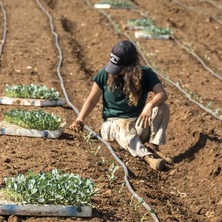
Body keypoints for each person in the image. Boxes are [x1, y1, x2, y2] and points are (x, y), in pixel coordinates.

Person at [70, 40, 170, 171]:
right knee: (123, 124)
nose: (114, 72)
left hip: (136, 123)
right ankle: (147, 157)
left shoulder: (146, 74)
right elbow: (92, 100)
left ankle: (152, 147)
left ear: (131, 68)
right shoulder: (104, 74)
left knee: (162, 108)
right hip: (113, 125)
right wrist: (80, 119)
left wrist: (150, 105)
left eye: (119, 69)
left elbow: (162, 94)